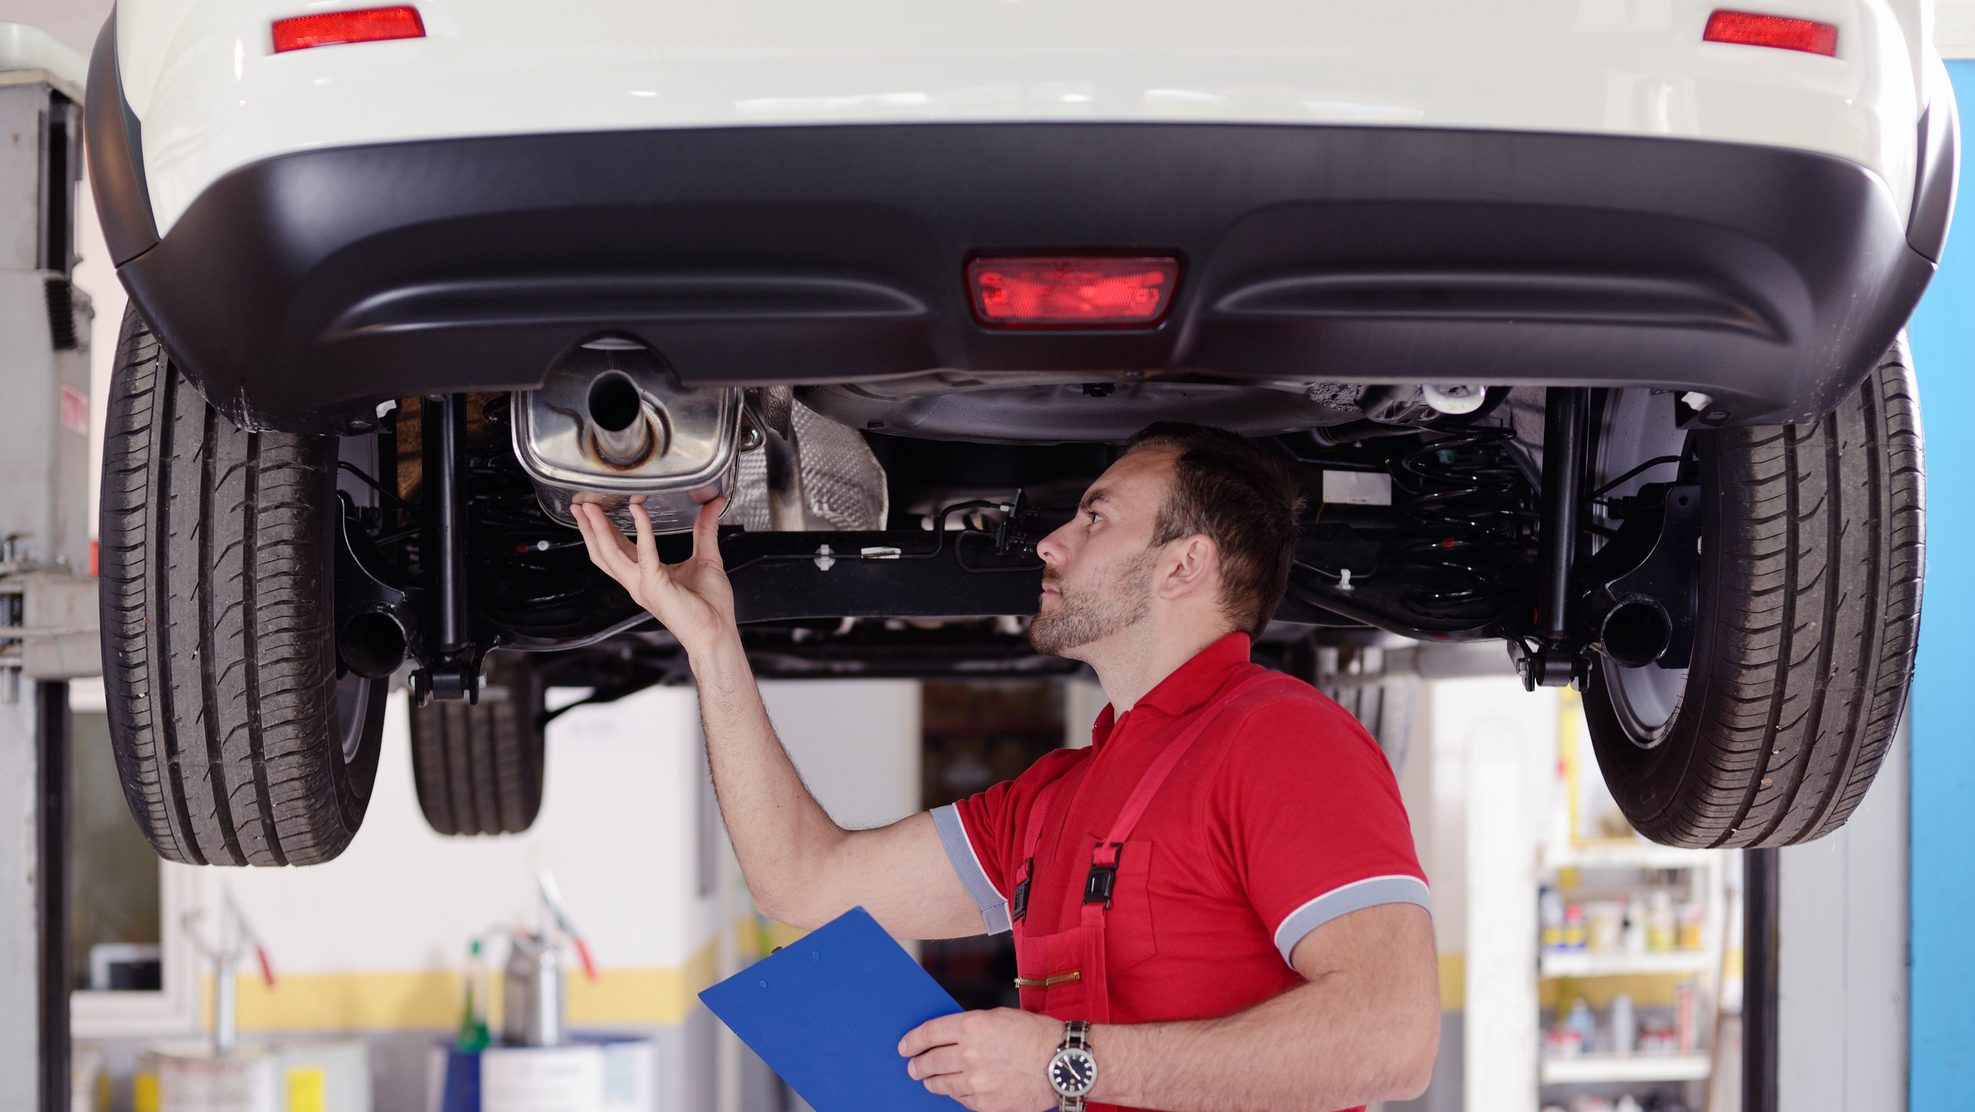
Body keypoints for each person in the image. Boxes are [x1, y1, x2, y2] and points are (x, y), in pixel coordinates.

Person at [572, 423, 1440, 1112]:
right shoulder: (1053, 798)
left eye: (1094, 518)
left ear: (1185, 564)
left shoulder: (1285, 739)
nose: (1049, 545)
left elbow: (1390, 1039)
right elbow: (803, 883)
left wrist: (1064, 1064)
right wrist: (713, 645)